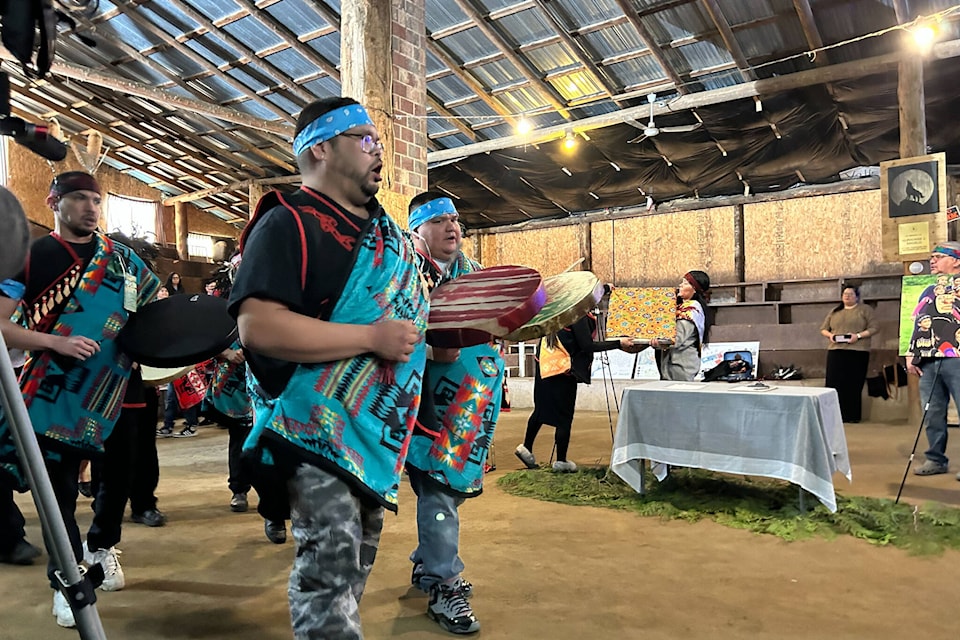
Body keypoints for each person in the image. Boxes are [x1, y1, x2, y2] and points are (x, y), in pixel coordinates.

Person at [228, 97, 427, 639]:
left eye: (379, 141)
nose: (378, 151)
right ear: (320, 147)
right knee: (331, 561)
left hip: (370, 433)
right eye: (365, 139)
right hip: (311, 427)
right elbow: (259, 327)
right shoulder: (287, 223)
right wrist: (370, 337)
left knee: (357, 555)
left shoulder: (389, 238)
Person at [0, 171, 161, 628]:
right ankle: (65, 581)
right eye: (79, 199)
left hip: (122, 390)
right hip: (59, 393)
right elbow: (1, 326)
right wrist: (54, 343)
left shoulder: (125, 261)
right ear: (54, 201)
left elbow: (157, 312)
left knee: (119, 485)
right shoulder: (29, 258)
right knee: (61, 495)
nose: (91, 207)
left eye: (96, 199)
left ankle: (101, 547)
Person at [404, 192, 502, 634]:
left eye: (456, 219)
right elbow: (374, 331)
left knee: (451, 488)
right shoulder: (399, 273)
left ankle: (428, 561)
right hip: (415, 401)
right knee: (438, 490)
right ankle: (445, 581)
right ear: (417, 228)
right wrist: (428, 350)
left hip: (466, 398)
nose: (452, 227)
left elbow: (494, 320)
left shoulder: (472, 273)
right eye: (440, 220)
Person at [516, 313, 628, 472]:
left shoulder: (560, 311)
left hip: (545, 365)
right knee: (564, 418)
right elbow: (587, 346)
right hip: (562, 371)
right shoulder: (578, 316)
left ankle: (526, 448)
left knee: (540, 409)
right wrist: (618, 344)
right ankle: (561, 461)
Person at [907, 242, 960, 477]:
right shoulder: (927, 289)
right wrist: (911, 352)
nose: (932, 261)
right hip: (929, 358)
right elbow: (918, 320)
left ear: (956, 261)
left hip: (957, 358)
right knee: (932, 410)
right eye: (932, 257)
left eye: (938, 257)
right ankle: (935, 459)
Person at [819, 285, 878, 423]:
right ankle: (833, 416)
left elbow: (874, 327)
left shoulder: (865, 310)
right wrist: (831, 336)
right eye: (845, 294)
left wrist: (858, 336)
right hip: (836, 350)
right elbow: (823, 329)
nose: (847, 296)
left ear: (857, 296)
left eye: (851, 294)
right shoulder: (835, 311)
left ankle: (851, 416)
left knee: (853, 384)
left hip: (857, 351)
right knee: (834, 383)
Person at [656, 270, 712, 381]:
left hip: (680, 367)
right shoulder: (681, 307)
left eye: (685, 283)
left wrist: (657, 342)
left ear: (694, 289)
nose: (681, 285)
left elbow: (676, 339)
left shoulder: (690, 311)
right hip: (673, 364)